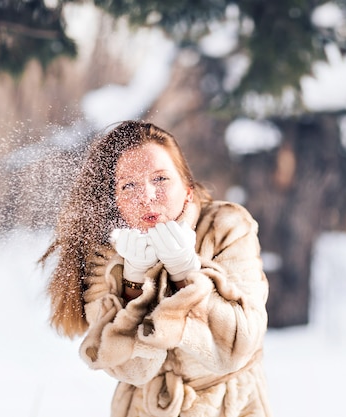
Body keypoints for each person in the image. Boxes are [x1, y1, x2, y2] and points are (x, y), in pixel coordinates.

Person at [41, 120, 272, 417]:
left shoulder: (227, 227)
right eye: (129, 185)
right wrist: (134, 284)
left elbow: (238, 347)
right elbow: (132, 369)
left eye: (160, 179)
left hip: (231, 407)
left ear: (187, 188)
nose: (146, 196)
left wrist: (186, 272)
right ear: (116, 201)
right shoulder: (105, 254)